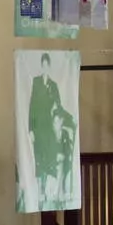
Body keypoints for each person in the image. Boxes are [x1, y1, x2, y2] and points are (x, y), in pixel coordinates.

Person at [27, 52, 76, 205]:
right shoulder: (36, 82)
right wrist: (31, 129)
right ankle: (40, 192)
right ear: (41, 66)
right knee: (39, 160)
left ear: (49, 66)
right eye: (43, 65)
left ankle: (53, 192)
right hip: (38, 128)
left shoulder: (53, 85)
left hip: (49, 130)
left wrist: (69, 119)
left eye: (47, 65)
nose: (45, 68)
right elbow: (32, 107)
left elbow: (59, 107)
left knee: (48, 160)